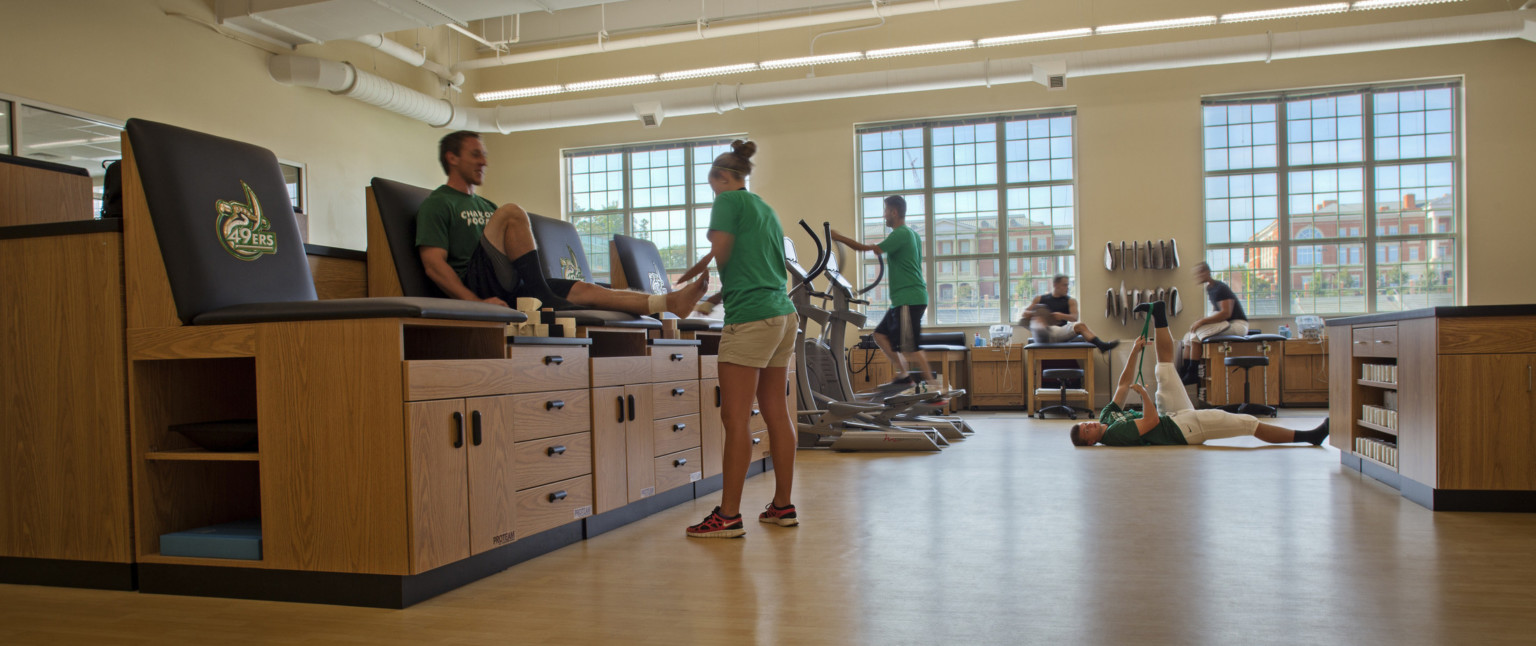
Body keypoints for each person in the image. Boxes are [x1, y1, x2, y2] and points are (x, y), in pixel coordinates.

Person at [417, 130, 708, 316]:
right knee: (512, 211)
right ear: (452, 158)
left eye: (485, 154)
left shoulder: (485, 205)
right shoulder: (439, 203)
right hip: (477, 281)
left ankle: (668, 303)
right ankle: (541, 295)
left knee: (586, 290)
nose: (484, 161)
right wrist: (475, 303)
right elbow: (434, 266)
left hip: (511, 281)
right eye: (475, 154)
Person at [674, 140, 799, 539]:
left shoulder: (727, 201)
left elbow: (724, 250)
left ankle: (727, 516)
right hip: (782, 314)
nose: (713, 191)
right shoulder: (766, 209)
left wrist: (700, 269)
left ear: (724, 177)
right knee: (776, 412)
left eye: (713, 182)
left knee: (735, 418)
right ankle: (782, 506)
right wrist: (714, 296)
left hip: (751, 320)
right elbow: (759, 266)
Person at [1070, 300, 1328, 448]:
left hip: (1172, 416)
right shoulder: (1114, 435)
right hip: (1184, 430)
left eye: (1085, 424)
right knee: (1248, 424)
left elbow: (1123, 384)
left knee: (1165, 369)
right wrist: (1144, 395)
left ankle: (1159, 314)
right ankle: (1308, 436)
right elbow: (1150, 423)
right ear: (1092, 442)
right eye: (1087, 431)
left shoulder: (1106, 415)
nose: (1090, 424)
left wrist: (1136, 352)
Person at [829, 195, 932, 390]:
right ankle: (904, 375)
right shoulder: (912, 235)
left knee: (911, 348)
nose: (884, 215)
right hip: (903, 300)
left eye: (885, 211)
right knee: (879, 335)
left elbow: (867, 249)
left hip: (909, 299)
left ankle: (935, 388)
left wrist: (839, 237)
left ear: (894, 212)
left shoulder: (901, 234)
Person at [1179, 261, 1251, 385]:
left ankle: (1192, 373)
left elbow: (1226, 313)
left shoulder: (1220, 288)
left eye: (1199, 273)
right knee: (1187, 336)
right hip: (1227, 324)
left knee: (1196, 333)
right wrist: (1202, 320)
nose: (1197, 277)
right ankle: (1184, 371)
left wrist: (1202, 322)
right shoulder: (1210, 289)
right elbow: (1217, 312)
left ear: (1207, 272)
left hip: (1237, 325)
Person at [1018, 275, 1120, 353]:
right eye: (1065, 285)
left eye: (1068, 285)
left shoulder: (1070, 301)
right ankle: (1041, 325)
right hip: (1042, 333)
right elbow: (1024, 314)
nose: (1067, 287)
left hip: (1060, 332)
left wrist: (1061, 315)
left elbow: (1075, 318)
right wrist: (1036, 315)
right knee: (1040, 313)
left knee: (1080, 325)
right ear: (1055, 285)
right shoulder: (1040, 299)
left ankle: (1101, 346)